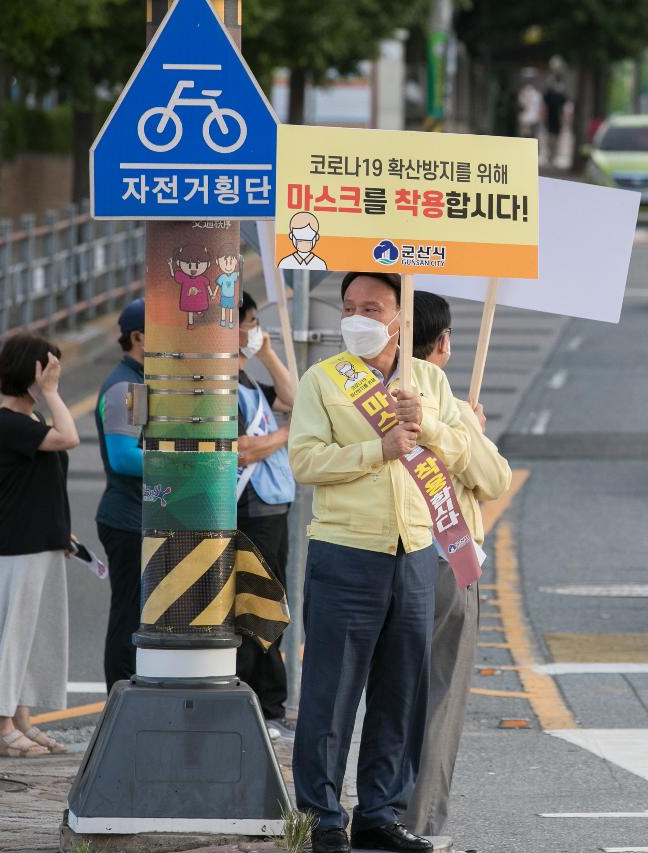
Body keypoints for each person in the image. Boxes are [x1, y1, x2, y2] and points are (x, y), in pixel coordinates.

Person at [289, 272, 471, 853]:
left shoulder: (431, 383)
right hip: (346, 549)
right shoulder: (322, 380)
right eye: (348, 307)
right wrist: (378, 449)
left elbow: (469, 456)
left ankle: (380, 812)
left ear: (401, 316)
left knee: (403, 688)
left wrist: (432, 423)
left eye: (372, 307)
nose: (357, 318)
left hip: (416, 550)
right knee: (330, 688)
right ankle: (321, 815)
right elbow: (306, 461)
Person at [402, 292, 512, 837]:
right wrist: (471, 429)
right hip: (448, 556)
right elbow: (494, 481)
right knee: (442, 696)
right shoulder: (443, 395)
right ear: (443, 341)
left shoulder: (361, 384)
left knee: (390, 689)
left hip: (385, 554)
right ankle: (418, 821)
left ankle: (376, 810)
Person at [0, 333, 79, 757]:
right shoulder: (8, 423)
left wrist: (61, 530)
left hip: (41, 541)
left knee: (33, 634)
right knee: (11, 634)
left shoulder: (29, 423)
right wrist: (50, 393)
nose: (54, 378)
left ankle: (21, 721)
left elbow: (46, 484)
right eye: (49, 370)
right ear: (31, 373)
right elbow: (68, 437)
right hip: (18, 545)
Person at [235, 291, 297, 740]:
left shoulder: (247, 380)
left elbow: (295, 398)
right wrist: (290, 434)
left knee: (270, 602)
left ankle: (269, 703)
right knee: (254, 606)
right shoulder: (221, 384)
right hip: (250, 508)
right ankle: (262, 704)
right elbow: (244, 449)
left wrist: (269, 354)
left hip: (273, 506)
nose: (254, 329)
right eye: (250, 322)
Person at [96, 299, 144, 690]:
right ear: (138, 337)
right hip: (126, 518)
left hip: (138, 515)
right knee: (127, 614)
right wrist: (185, 462)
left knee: (138, 613)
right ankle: (118, 695)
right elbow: (124, 458)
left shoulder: (141, 380)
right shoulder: (126, 385)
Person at [543, 75, 570, 167]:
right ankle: (550, 156)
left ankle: (553, 156)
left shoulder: (561, 95)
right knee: (550, 139)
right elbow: (544, 107)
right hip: (550, 120)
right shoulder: (549, 94)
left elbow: (565, 108)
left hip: (557, 120)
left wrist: (565, 120)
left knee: (556, 140)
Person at [518, 70, 543, 139]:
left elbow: (521, 105)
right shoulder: (536, 93)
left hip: (528, 118)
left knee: (526, 138)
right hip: (531, 118)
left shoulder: (525, 92)